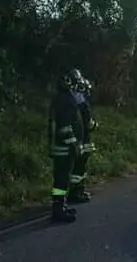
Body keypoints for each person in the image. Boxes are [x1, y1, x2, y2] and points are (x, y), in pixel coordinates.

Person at [48, 70, 83, 223]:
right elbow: (65, 127)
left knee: (61, 180)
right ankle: (58, 210)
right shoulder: (66, 101)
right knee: (61, 180)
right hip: (64, 149)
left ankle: (60, 206)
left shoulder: (58, 99)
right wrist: (74, 143)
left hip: (59, 147)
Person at [67, 70, 98, 204]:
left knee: (73, 168)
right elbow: (89, 123)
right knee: (79, 169)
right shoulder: (82, 102)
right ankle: (76, 192)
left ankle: (74, 191)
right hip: (82, 140)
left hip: (72, 140)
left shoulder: (68, 100)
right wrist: (95, 125)